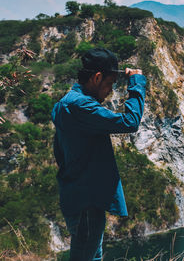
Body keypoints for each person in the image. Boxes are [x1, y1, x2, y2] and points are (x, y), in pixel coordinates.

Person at [51, 48, 146, 261]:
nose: (110, 91)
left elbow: (59, 152)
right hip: (87, 198)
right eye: (110, 84)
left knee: (92, 255)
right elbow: (130, 122)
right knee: (86, 256)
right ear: (97, 77)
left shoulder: (67, 102)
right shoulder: (80, 106)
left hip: (80, 194)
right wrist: (136, 82)